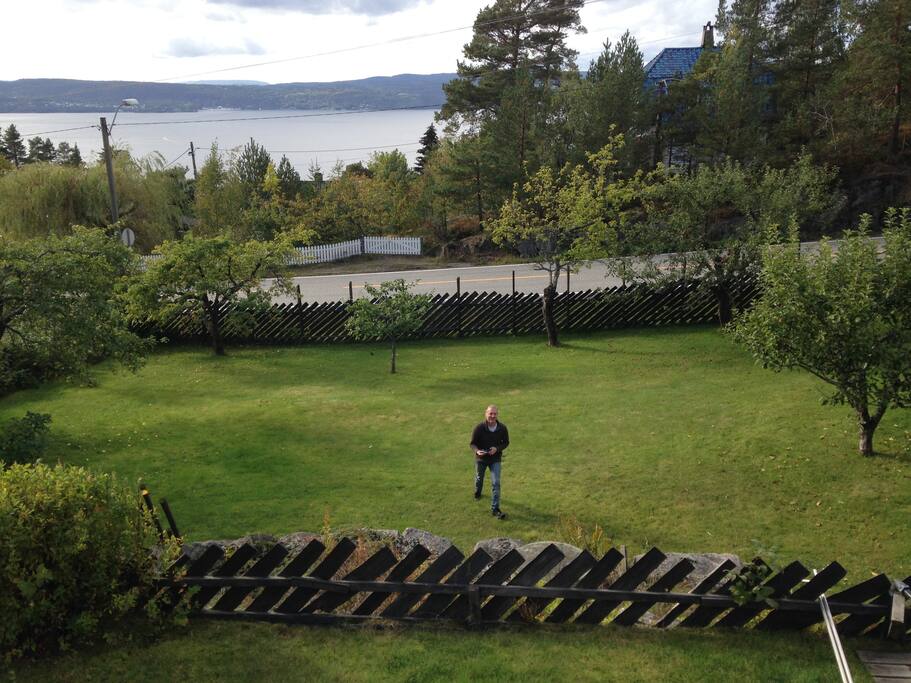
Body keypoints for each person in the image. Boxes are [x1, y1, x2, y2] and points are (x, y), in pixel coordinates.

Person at [470, 404, 510, 519]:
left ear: (497, 415)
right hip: (481, 459)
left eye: (495, 414)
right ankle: (478, 492)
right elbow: (472, 443)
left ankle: (495, 509)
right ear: (486, 414)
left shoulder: (502, 428)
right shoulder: (479, 428)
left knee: (496, 483)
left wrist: (497, 449)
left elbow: (506, 442)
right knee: (479, 478)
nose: (492, 416)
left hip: (495, 459)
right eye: (490, 413)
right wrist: (477, 451)